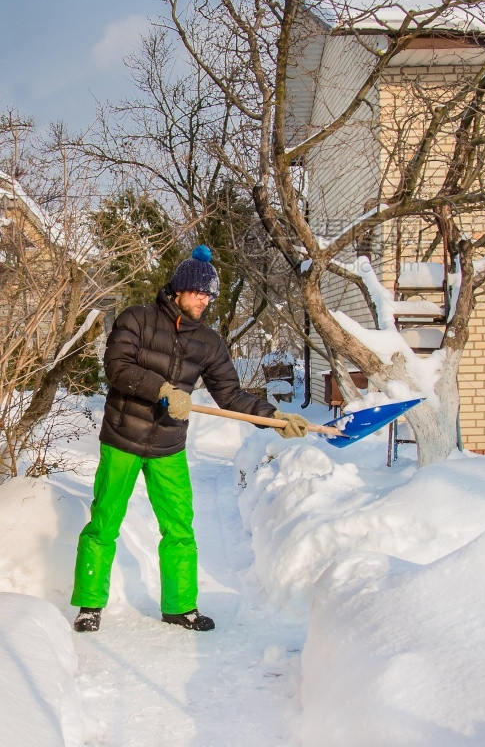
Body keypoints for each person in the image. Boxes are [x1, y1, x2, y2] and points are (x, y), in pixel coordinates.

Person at [71, 245, 309, 633]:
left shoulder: (209, 343)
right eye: (198, 292)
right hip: (123, 437)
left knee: (180, 526)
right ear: (178, 289)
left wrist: (274, 418)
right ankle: (89, 604)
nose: (204, 300)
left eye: (209, 295)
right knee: (104, 522)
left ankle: (180, 607)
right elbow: (118, 367)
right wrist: (162, 388)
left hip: (168, 445)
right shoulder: (138, 320)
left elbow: (230, 395)